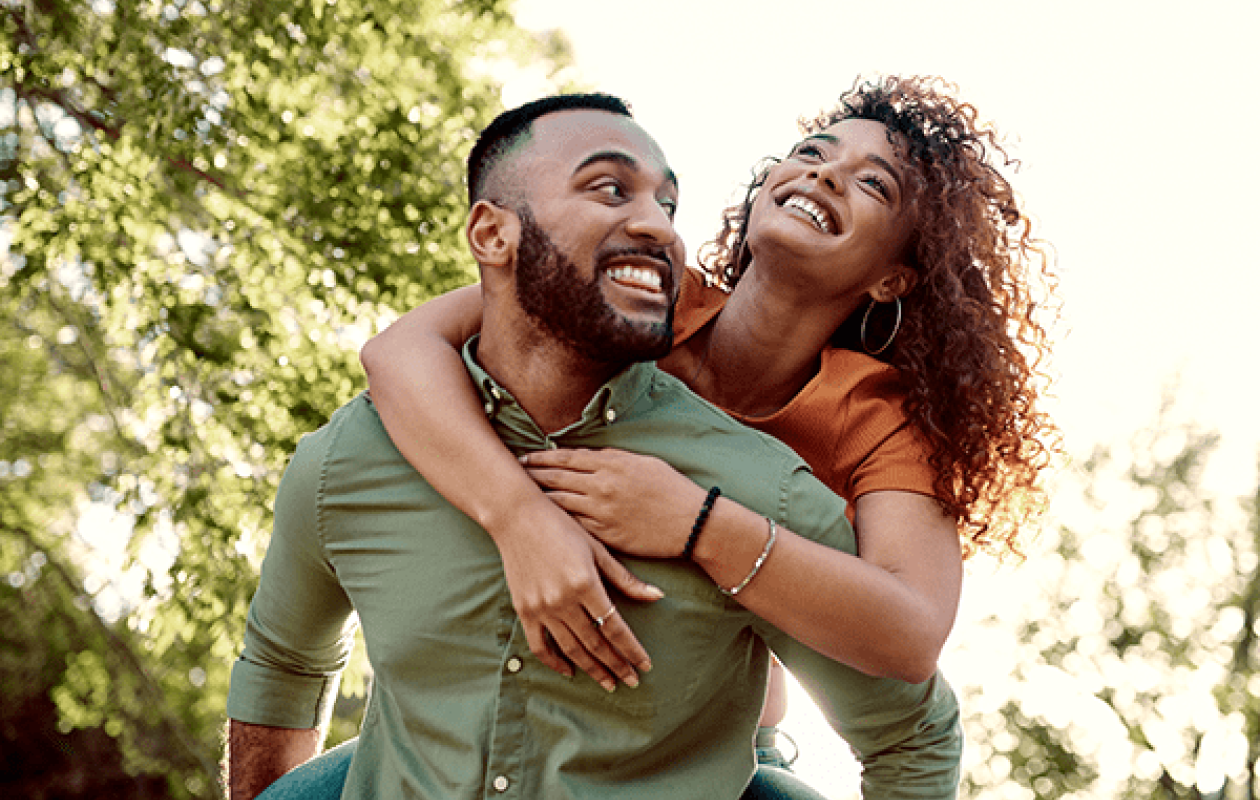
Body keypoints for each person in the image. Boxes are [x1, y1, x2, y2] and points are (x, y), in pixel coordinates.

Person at [224, 92, 963, 800]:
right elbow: (400, 350)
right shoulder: (639, 301)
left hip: (710, 737)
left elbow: (909, 642)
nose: (827, 173)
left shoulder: (873, 420)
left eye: (874, 183)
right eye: (811, 150)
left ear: (893, 277)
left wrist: (696, 521)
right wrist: (520, 517)